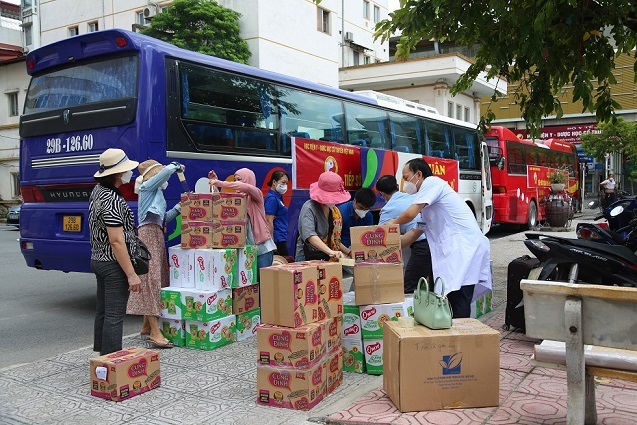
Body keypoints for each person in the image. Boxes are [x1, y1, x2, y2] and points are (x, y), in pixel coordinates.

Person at [386, 158, 492, 318]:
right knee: (452, 300)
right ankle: (456, 336)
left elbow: (409, 214)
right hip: (458, 252)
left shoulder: (432, 183)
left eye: (406, 178)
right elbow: (413, 234)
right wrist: (386, 245)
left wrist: (392, 223)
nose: (405, 183)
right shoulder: (427, 205)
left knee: (459, 300)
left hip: (464, 248)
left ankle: (462, 339)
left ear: (418, 174)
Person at [126, 159, 183, 348]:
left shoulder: (155, 193)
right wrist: (174, 167)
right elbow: (161, 177)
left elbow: (162, 219)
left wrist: (178, 208)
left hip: (156, 236)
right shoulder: (146, 188)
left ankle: (145, 327)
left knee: (156, 279)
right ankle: (155, 332)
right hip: (148, 237)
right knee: (151, 282)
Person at [89, 148, 141, 356]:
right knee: (114, 315)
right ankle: (111, 362)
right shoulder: (113, 200)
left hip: (98, 259)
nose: (130, 174)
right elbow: (117, 241)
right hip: (113, 264)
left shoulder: (98, 191)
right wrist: (131, 274)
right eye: (127, 170)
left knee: (103, 312)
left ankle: (102, 358)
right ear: (119, 174)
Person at [209, 168, 276, 276]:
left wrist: (220, 182)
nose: (236, 183)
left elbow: (246, 187)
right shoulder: (237, 200)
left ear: (248, 179)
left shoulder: (256, 194)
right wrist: (214, 185)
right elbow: (220, 204)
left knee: (263, 284)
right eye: (235, 180)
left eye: (239, 180)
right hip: (246, 252)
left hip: (262, 251)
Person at [376, 175, 433, 294]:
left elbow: (381, 237)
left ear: (382, 194)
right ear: (397, 186)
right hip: (435, 241)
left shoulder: (387, 209)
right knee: (434, 286)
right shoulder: (414, 198)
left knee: (409, 287)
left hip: (422, 246)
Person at [295, 172, 352, 261]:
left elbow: (334, 239)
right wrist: (331, 252)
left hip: (326, 257)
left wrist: (349, 252)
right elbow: (310, 235)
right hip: (308, 257)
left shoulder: (333, 210)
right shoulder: (309, 207)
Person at [265, 170, 290, 256]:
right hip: (277, 240)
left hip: (281, 237)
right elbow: (268, 221)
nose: (285, 186)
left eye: (286, 183)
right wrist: (271, 242)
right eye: (283, 182)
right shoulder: (272, 199)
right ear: (274, 182)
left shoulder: (278, 197)